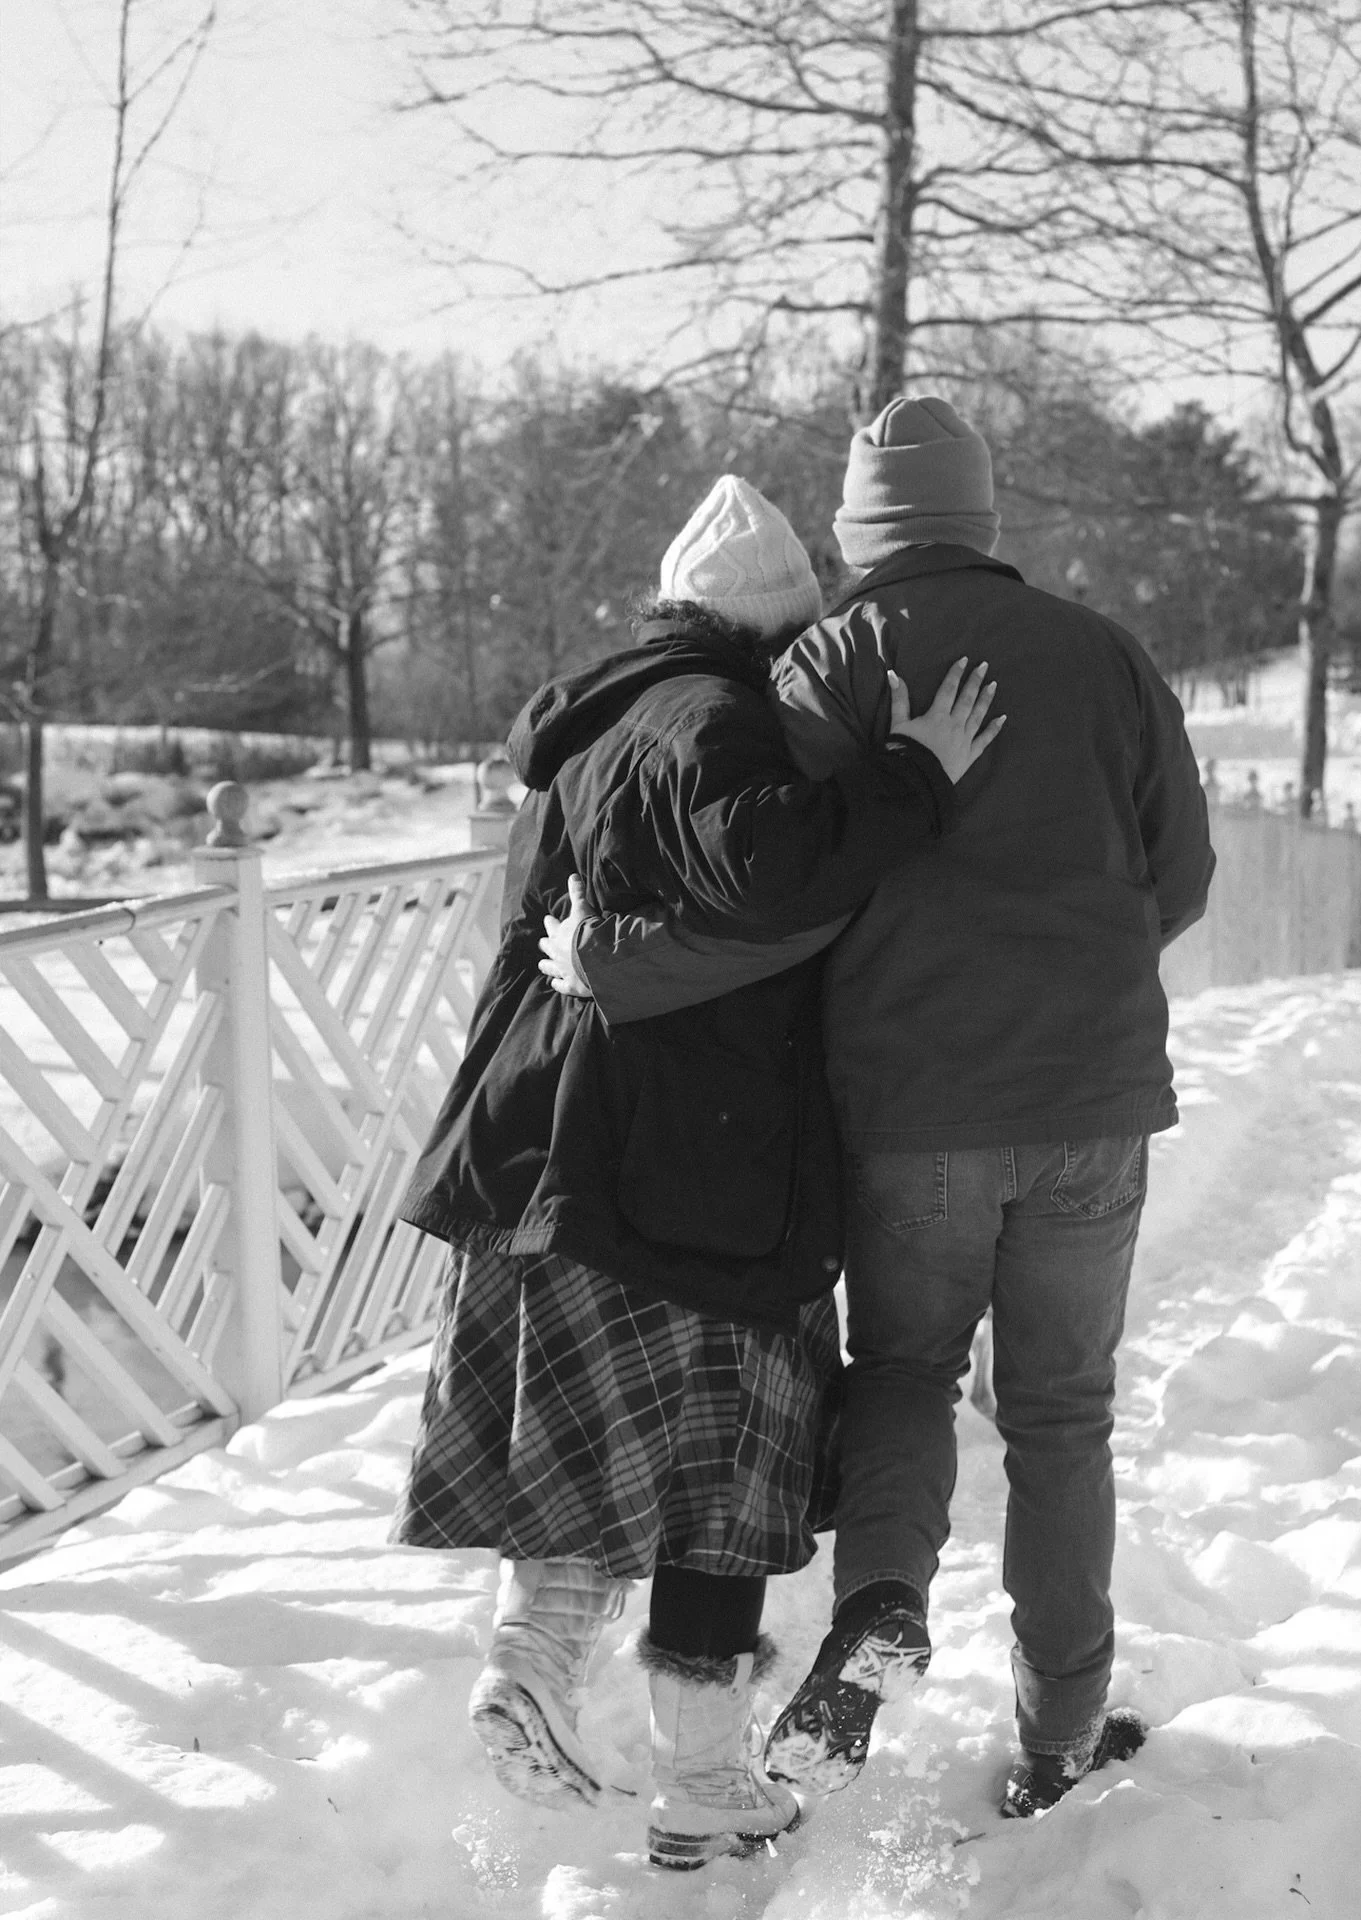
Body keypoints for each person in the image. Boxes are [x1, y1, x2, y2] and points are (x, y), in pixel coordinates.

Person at [539, 396, 1215, 1820]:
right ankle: (1059, 1737)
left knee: (905, 1374)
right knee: (1062, 1417)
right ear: (981, 512)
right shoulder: (1109, 657)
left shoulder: (833, 660)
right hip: (1092, 1103)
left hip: (910, 1112)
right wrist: (1075, 979)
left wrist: (622, 964)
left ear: (857, 530)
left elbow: (783, 893)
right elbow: (1185, 877)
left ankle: (884, 1611)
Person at [390, 472, 1003, 1869]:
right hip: (682, 1152)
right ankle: (704, 1775)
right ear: (775, 627)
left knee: (587, 1448)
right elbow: (772, 867)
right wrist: (912, 775)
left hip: (549, 1143)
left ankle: (533, 1672)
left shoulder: (589, 730)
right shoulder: (710, 714)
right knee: (720, 1466)